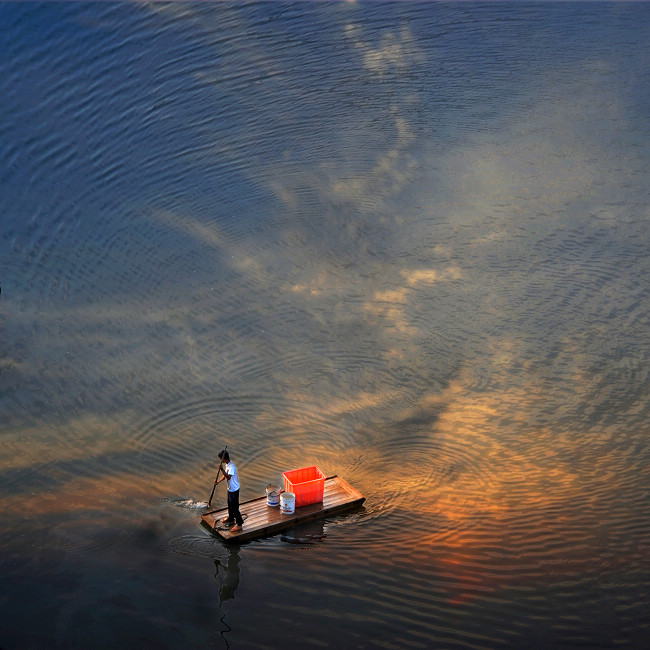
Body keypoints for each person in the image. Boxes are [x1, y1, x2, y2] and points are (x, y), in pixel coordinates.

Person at [216, 449, 244, 531]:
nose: (220, 461)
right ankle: (231, 518)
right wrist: (218, 481)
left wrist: (221, 470)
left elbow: (228, 476)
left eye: (220, 459)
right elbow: (225, 476)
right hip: (230, 489)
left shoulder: (232, 467)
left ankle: (239, 523)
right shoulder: (227, 465)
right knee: (229, 505)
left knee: (235, 507)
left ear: (223, 459)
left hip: (234, 489)